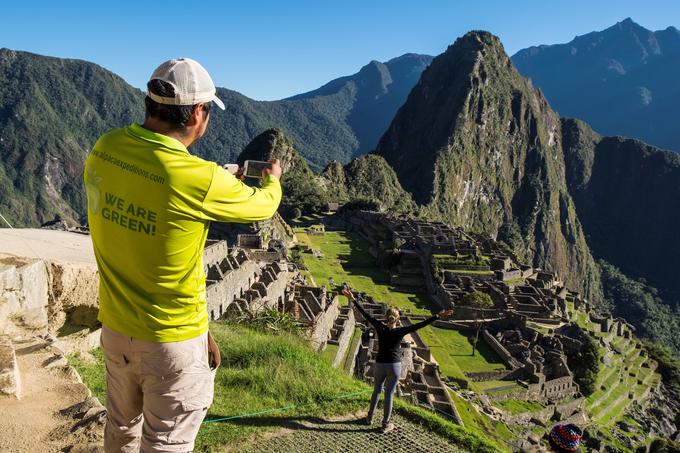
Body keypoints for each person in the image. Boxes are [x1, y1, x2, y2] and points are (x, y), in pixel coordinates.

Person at [84, 57, 282, 452]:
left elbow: (157, 186)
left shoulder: (106, 147)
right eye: (207, 110)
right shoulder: (199, 179)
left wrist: (213, 179)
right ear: (197, 113)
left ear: (149, 102)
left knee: (121, 430)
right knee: (166, 443)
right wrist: (272, 181)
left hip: (115, 331)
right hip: (170, 344)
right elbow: (262, 207)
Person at [342, 288, 453, 433]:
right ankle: (385, 423)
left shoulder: (379, 327)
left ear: (386, 317)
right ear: (397, 318)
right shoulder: (401, 331)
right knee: (389, 394)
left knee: (376, 391)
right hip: (394, 366)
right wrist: (438, 315)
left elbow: (365, 314)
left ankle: (369, 417)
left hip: (380, 364)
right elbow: (420, 325)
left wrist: (353, 298)